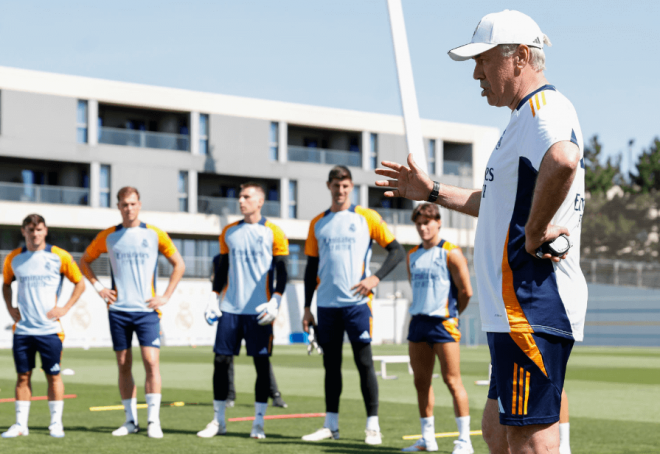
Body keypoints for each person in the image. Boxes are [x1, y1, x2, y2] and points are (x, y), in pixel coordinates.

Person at [375, 10, 587, 454]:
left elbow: (564, 159)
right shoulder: (523, 118)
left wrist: (532, 232)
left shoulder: (544, 108)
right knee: (495, 432)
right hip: (511, 308)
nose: (476, 73)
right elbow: (493, 204)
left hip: (529, 302)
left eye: (484, 60)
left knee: (529, 440)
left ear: (520, 58)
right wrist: (430, 190)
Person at [301, 166, 405, 445]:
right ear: (329, 186)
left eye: (345, 185)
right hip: (326, 305)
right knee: (330, 366)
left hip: (357, 304)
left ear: (351, 188)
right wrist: (306, 307)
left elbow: (397, 250)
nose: (341, 190)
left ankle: (373, 426)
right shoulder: (317, 223)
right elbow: (311, 269)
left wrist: (375, 277)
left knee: (364, 364)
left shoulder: (366, 217)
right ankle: (330, 425)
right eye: (336, 185)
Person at [80, 187, 185, 439]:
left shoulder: (154, 233)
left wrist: (166, 296)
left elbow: (179, 264)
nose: (129, 208)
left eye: (133, 203)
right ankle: (130, 421)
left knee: (151, 361)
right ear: (118, 206)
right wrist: (99, 288)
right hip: (118, 311)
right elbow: (84, 261)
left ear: (139, 205)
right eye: (124, 204)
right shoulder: (109, 236)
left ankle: (153, 421)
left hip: (147, 311)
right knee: (123, 364)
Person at [197, 182, 289, 440]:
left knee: (261, 364)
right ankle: (218, 421)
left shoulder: (274, 232)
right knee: (220, 361)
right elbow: (222, 269)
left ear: (260, 201)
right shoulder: (229, 232)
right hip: (230, 310)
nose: (241, 200)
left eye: (247, 196)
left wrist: (277, 301)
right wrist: (213, 298)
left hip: (259, 311)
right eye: (240, 196)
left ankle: (258, 424)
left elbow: (282, 270)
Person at [1, 214, 85, 439]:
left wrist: (65, 308)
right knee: (22, 377)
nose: (35, 234)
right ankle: (20, 425)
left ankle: (55, 424)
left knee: (53, 376)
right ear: (23, 232)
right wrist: (10, 308)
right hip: (23, 330)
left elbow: (80, 282)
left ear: (45, 231)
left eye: (39, 229)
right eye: (30, 230)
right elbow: (6, 284)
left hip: (50, 330)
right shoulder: (14, 258)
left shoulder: (59, 256)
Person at [402, 203, 474, 453]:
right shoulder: (412, 255)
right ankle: (427, 439)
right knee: (421, 383)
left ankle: (465, 441)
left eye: (427, 222)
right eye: (419, 223)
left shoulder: (451, 252)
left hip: (444, 324)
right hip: (418, 324)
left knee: (453, 381)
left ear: (438, 223)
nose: (423, 227)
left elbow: (466, 291)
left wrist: (453, 315)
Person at [208, 254, 288, 409]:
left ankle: (275, 395)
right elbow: (216, 278)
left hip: (256, 312)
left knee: (261, 359)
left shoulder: (265, 254)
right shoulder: (219, 258)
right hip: (231, 311)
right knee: (224, 358)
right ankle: (228, 396)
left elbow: (279, 273)